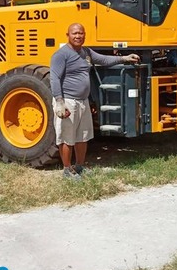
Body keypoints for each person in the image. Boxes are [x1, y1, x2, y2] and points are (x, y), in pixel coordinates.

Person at [50, 23, 140, 180]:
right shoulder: (61, 55)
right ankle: (66, 170)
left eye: (81, 33)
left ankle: (79, 166)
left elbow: (104, 59)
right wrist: (59, 102)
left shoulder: (86, 52)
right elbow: (55, 78)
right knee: (66, 137)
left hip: (83, 101)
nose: (78, 36)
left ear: (85, 35)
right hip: (68, 101)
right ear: (68, 35)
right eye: (74, 33)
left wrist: (124, 58)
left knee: (82, 136)